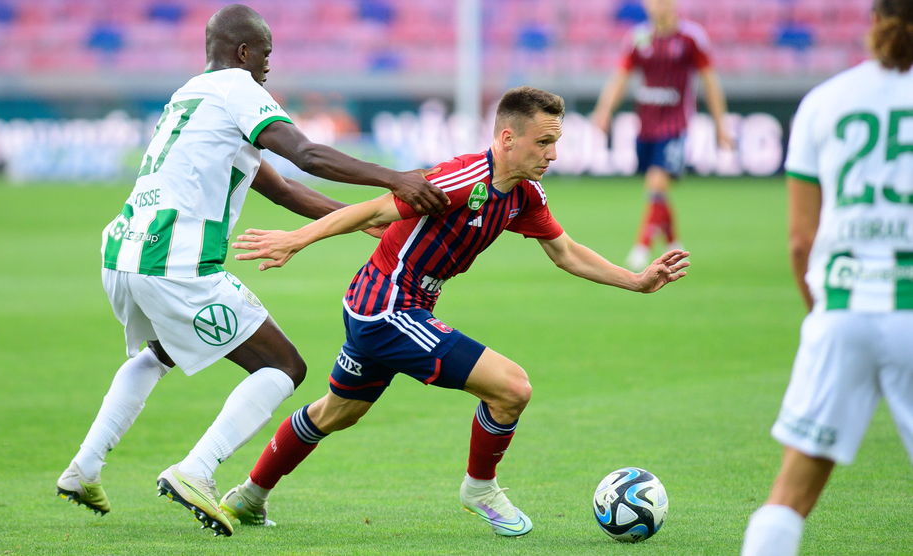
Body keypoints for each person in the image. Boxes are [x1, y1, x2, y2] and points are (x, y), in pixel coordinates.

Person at [218, 86, 690, 537]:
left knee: (336, 412)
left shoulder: (525, 194)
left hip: (382, 306)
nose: (553, 154)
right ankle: (480, 488)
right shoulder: (462, 179)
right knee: (512, 388)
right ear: (508, 138)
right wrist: (295, 240)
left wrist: (636, 280)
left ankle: (249, 496)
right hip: (388, 307)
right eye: (543, 142)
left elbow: (566, 252)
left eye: (556, 142)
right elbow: (373, 211)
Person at [55, 4, 448, 538]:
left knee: (160, 352)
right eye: (265, 53)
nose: (268, 65)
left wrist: (359, 220)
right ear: (243, 52)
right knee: (283, 366)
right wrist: (394, 179)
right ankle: (196, 470)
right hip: (174, 258)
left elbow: (282, 188)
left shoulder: (191, 95)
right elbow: (305, 154)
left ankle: (84, 467)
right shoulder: (239, 88)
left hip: (124, 251)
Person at [741, 1, 913, 554]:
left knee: (789, 496)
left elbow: (801, 241)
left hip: (842, 308)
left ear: (874, 20)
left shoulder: (825, 101)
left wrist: (822, 312)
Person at [592, 0, 731, 271]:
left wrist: (720, 125)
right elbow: (621, 77)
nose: (659, 7)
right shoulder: (638, 38)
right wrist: (604, 110)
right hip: (646, 126)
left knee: (656, 184)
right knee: (658, 190)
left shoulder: (691, 38)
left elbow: (710, 82)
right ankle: (673, 243)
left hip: (676, 125)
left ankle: (640, 248)